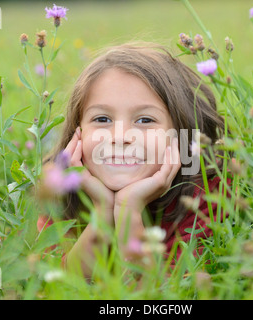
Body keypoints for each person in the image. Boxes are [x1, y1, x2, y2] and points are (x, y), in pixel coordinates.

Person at [39, 42, 233, 278]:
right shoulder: (59, 196)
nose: (120, 138)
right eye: (102, 119)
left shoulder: (206, 197)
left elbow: (155, 297)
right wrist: (103, 210)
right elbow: (61, 288)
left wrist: (128, 210)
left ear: (181, 134)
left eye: (144, 120)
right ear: (77, 134)